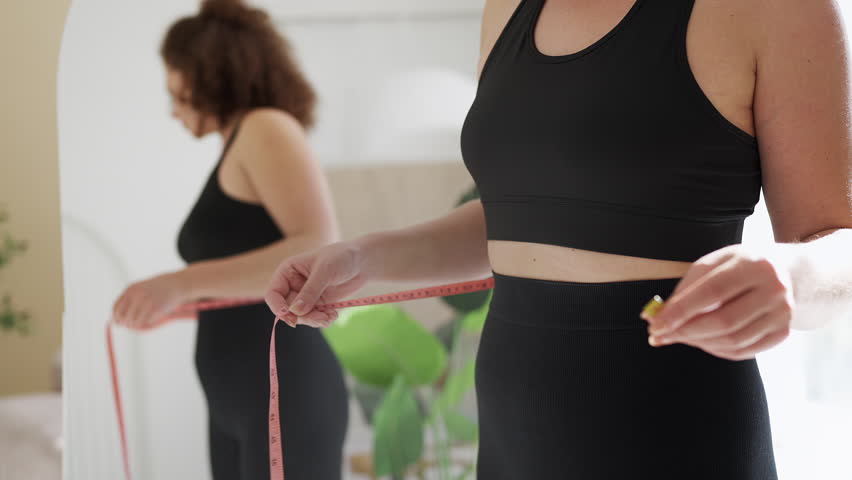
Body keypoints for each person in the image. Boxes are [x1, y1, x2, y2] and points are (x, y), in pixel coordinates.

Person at [264, 0, 852, 479]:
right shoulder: (509, 8)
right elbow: (519, 218)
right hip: (513, 438)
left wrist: (791, 278)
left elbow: (838, 241)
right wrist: (365, 256)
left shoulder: (776, 9)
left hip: (676, 433)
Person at [111, 1, 348, 478]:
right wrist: (186, 299)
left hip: (284, 391)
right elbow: (252, 274)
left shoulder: (265, 127)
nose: (172, 110)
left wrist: (181, 282)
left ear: (208, 72)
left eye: (175, 91)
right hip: (241, 400)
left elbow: (317, 245)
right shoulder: (239, 144)